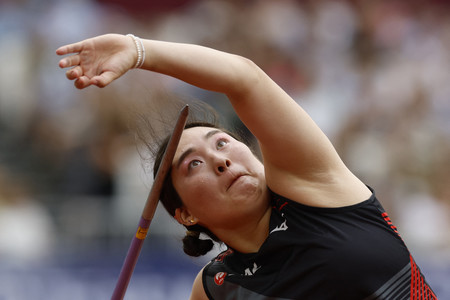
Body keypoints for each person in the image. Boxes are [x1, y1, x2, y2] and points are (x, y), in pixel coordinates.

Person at [56, 33, 437, 300]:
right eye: (194, 165)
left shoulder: (313, 188)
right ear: (185, 214)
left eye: (222, 143)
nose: (221, 160)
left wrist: (138, 50)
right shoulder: (216, 289)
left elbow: (245, 80)